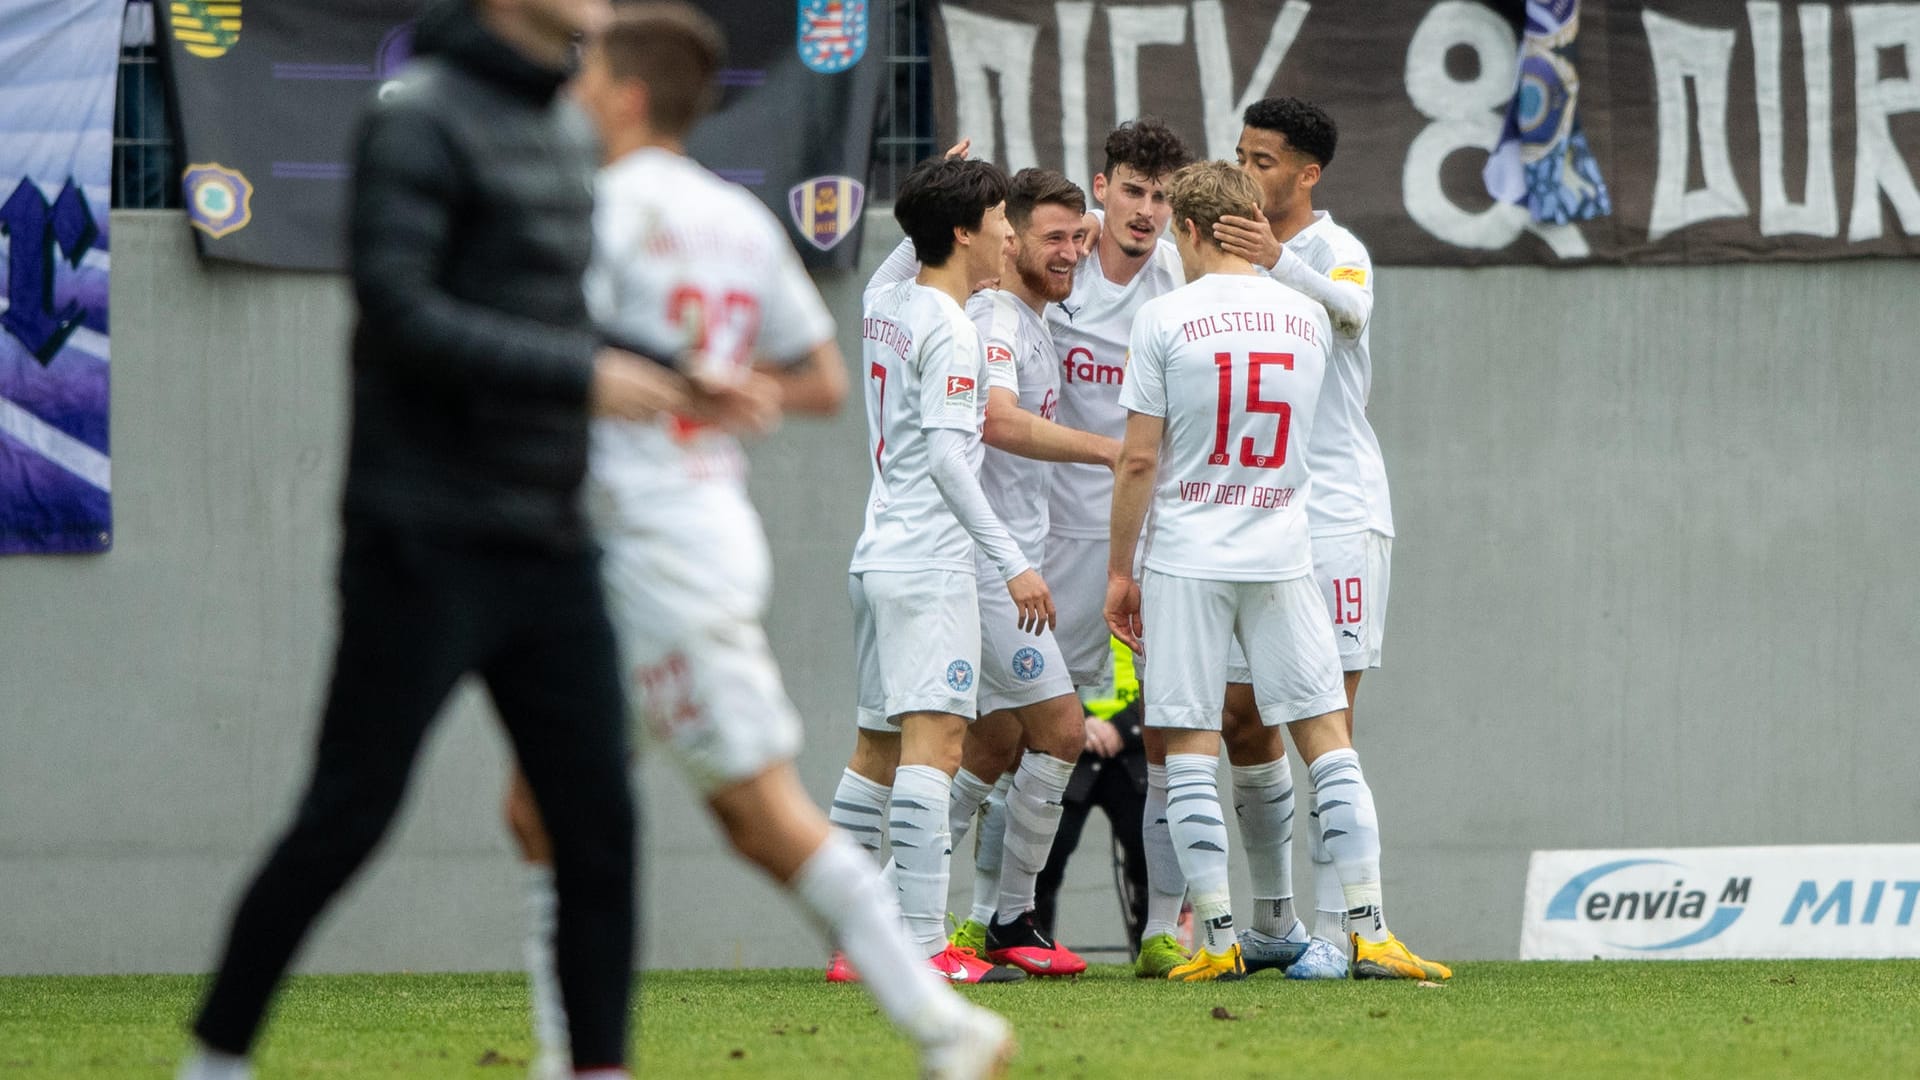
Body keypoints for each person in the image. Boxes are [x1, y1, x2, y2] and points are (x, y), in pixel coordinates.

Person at [494, 8, 1015, 1078]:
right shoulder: (735, 219)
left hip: (657, 552)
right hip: (660, 542)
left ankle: (943, 1022)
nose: (575, 96)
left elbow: (537, 350)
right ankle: (573, 1057)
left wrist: (662, 387)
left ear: (628, 96)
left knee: (760, 813)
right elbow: (818, 379)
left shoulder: (600, 211)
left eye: (589, 81)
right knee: (537, 808)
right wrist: (719, 387)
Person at [176, 1, 682, 1078]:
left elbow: (550, 316)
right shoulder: (418, 117)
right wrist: (583, 375)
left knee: (599, 826)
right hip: (424, 538)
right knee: (346, 816)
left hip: (550, 540)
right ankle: (215, 1058)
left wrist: (676, 370)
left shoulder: (560, 126)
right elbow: (400, 312)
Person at [1104, 160, 1431, 983]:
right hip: (1285, 551)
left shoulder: (1164, 319)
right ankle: (1371, 928)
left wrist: (1119, 569)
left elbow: (1140, 460)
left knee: (1187, 744)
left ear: (1188, 229)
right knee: (1328, 739)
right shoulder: (1305, 315)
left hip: (1187, 556)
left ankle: (1215, 938)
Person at [853, 168, 1118, 979]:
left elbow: (882, 279)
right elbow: (982, 431)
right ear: (979, 233)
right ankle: (960, 927)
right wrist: (1109, 453)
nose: (1068, 250)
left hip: (905, 550)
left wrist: (930, 197)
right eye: (1035, 231)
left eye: (1081, 236)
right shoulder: (984, 320)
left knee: (974, 747)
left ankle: (899, 925)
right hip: (959, 559)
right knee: (1036, 735)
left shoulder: (900, 304)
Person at [1211, 97, 1449, 981]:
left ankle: (1343, 926)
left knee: (1328, 720)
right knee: (1242, 719)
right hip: (1258, 515)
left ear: (1308, 174)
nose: (1247, 172)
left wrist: (1277, 263)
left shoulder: (1333, 251)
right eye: (1240, 155)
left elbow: (1351, 318)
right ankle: (1273, 922)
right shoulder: (1222, 256)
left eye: (1264, 160)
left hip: (1338, 515)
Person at [1040, 119, 1198, 979]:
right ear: (1101, 187)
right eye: (1133, 189)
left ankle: (1174, 930)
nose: (1147, 210)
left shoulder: (1178, 282)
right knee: (1022, 735)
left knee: (1176, 729)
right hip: (1049, 532)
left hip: (1152, 532)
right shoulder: (1055, 269)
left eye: (1163, 195)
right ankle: (1005, 918)